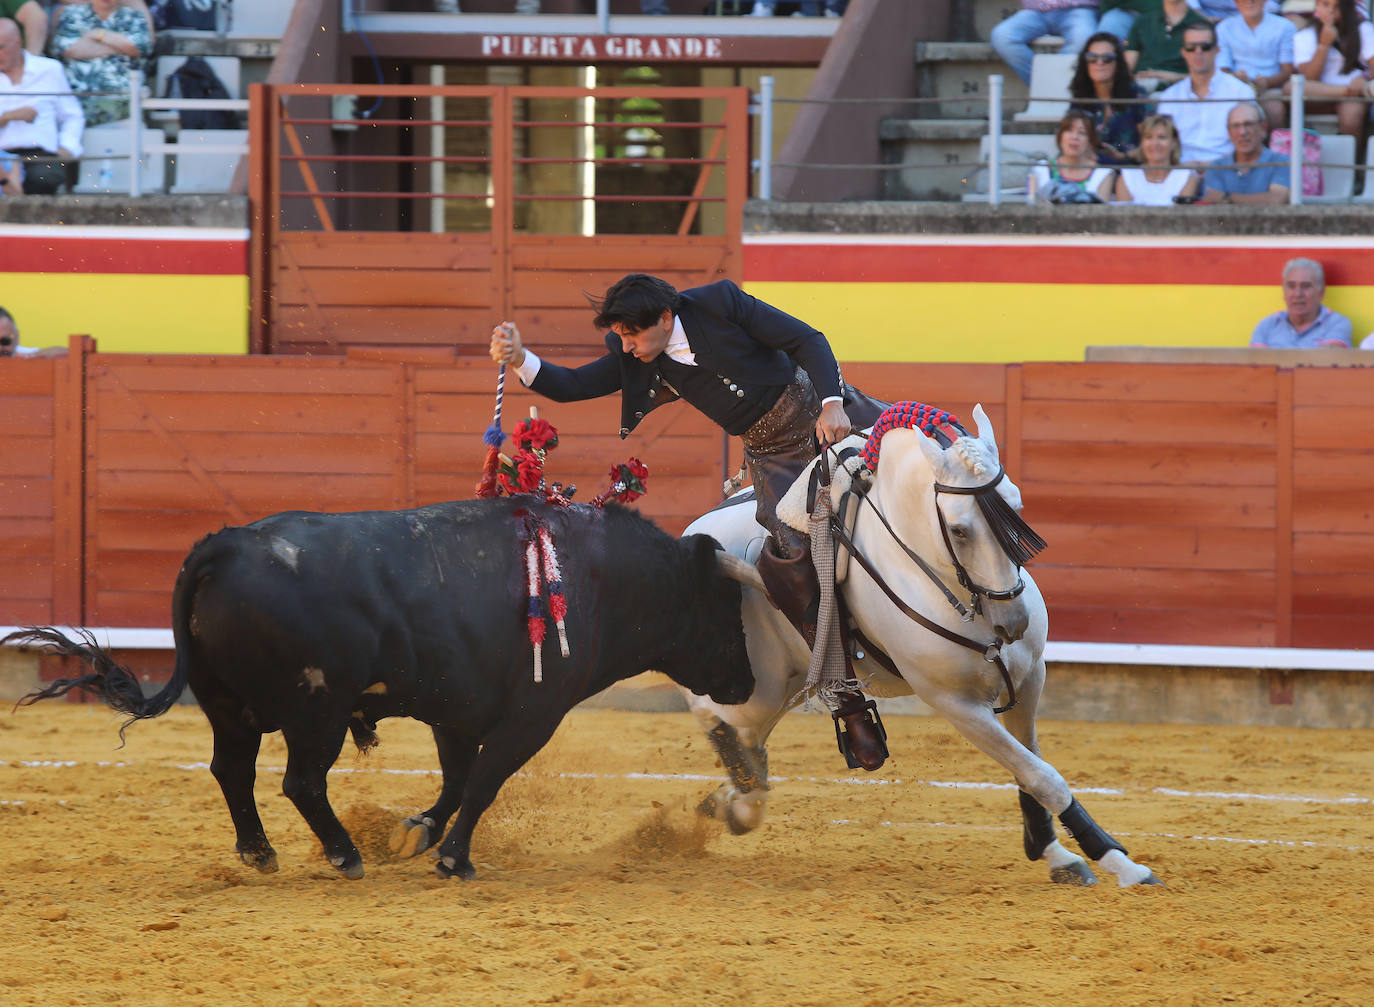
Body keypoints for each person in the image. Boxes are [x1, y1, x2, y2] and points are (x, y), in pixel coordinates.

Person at [488, 274, 893, 771]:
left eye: (632, 335)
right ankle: (849, 701)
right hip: (775, 456)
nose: (626, 346)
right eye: (620, 336)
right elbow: (573, 385)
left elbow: (806, 339)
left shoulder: (720, 303)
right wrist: (519, 358)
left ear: (662, 319)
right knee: (790, 561)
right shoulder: (641, 358)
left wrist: (832, 402)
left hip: (827, 407)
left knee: (934, 446)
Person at [0, 16, 83, 194]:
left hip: (40, 154)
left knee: (44, 177)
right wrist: (7, 117)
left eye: (1, 47)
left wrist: (67, 148)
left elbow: (72, 115)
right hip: (1, 154)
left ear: (18, 42)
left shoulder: (49, 69)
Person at [1156, 20, 1257, 162]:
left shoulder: (1241, 92)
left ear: (1217, 50)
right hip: (1180, 170)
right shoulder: (1169, 96)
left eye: (1205, 47)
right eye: (1191, 47)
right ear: (1184, 52)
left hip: (1226, 171)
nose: (1198, 52)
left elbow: (1250, 144)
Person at [48, 0, 153, 127]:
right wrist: (118, 47)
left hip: (123, 101)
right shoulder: (71, 14)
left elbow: (139, 47)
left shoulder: (134, 16)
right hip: (79, 100)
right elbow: (66, 49)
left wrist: (98, 34)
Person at [1286, 0, 1374, 140]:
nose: (1331, 12)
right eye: (1325, 5)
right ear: (1317, 6)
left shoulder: (1363, 29)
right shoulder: (1304, 36)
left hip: (1353, 95)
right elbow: (1309, 79)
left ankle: (1353, 160)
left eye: (1337, 6)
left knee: (1352, 112)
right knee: (1291, 88)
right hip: (1322, 96)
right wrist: (1324, 45)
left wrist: (1364, 77)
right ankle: (1347, 93)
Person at [1070, 30, 1149, 162]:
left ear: (1118, 63)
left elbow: (1152, 145)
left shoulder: (1136, 96)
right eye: (1092, 58)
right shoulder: (1080, 97)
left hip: (1128, 169)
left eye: (1107, 58)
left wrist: (1123, 156)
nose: (1099, 63)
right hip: (1090, 168)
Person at [1218, 0, 1296, 125]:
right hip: (1236, 87)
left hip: (1271, 88)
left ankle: (1270, 144)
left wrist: (1267, 82)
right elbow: (1223, 68)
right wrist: (1236, 79)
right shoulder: (1224, 27)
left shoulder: (1285, 26)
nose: (1250, 2)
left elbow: (1288, 70)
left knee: (1275, 109)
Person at [991, 0, 1101, 86]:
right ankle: (1047, 86)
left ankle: (1056, 88)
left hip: (1079, 8)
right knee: (1002, 36)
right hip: (1035, 11)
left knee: (1083, 38)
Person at [1249, 258, 1353, 347]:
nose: (1297, 294)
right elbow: (1256, 365)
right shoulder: (1268, 325)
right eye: (1291, 286)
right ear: (1284, 291)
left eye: (1306, 286)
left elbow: (1328, 363)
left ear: (1321, 292)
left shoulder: (1336, 323)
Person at [1198, 101, 1291, 200]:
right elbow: (1212, 203)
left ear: (1263, 127)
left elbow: (1275, 200)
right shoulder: (1216, 167)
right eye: (1235, 126)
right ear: (1229, 132)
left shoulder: (1282, 162)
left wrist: (1227, 198)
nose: (1242, 132)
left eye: (1248, 124)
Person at [1028, 109, 1119, 200]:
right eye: (1069, 130)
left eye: (1082, 133)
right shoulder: (1041, 169)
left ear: (1090, 140)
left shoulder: (1103, 174)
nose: (1075, 137)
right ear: (1060, 136)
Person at [1126, 0, 1213, 89]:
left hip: (1184, 89)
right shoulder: (1143, 21)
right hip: (1142, 87)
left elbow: (1209, 75)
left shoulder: (1203, 26)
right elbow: (1127, 67)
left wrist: (1174, 77)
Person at [1113, 113, 1202, 199]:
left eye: (1162, 137)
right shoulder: (1127, 178)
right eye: (1148, 137)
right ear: (1142, 143)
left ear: (1174, 143)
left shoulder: (1186, 177)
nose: (1155, 143)